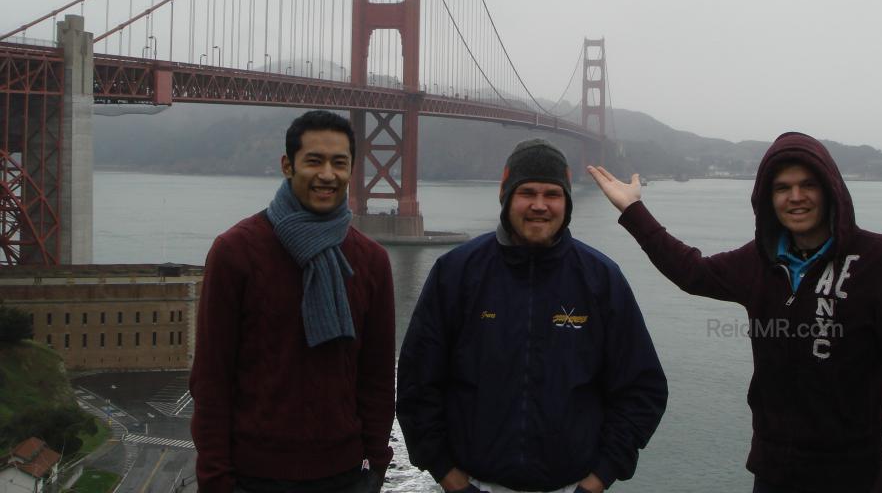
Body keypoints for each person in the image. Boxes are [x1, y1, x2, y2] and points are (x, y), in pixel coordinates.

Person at [588, 131, 882, 493]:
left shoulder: (879, 260)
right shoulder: (759, 261)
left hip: (854, 477)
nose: (795, 197)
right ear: (768, 198)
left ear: (831, 189)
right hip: (772, 475)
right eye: (782, 188)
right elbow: (692, 272)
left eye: (808, 185)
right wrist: (633, 209)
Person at [397, 139, 667, 493]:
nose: (540, 205)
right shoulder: (456, 273)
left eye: (552, 194)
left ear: (566, 202)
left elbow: (642, 389)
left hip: (572, 487)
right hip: (470, 484)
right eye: (527, 192)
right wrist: (446, 474)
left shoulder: (601, 278)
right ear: (506, 197)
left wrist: (599, 478)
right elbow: (417, 381)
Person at [190, 110, 395, 493]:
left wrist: (376, 467)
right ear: (287, 165)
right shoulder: (235, 252)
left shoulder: (371, 260)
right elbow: (211, 378)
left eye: (339, 163)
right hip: (253, 477)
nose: (327, 175)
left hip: (346, 475)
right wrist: (216, 481)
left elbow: (378, 377)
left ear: (352, 169)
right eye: (313, 161)